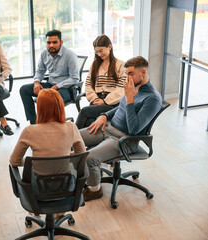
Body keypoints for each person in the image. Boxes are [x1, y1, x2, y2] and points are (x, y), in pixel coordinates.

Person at [79, 56, 162, 201]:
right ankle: (82, 177)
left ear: (143, 73)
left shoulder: (152, 98)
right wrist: (105, 115)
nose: (126, 77)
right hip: (108, 128)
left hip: (124, 140)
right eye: (126, 73)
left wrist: (130, 99)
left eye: (130, 73)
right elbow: (120, 108)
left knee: (89, 157)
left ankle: (94, 191)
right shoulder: (132, 85)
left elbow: (134, 130)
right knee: (73, 136)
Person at [10, 88, 85, 187]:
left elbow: (14, 161)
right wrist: (63, 156)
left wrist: (35, 162)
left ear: (40, 108)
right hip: (66, 187)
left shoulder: (29, 131)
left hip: (38, 189)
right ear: (60, 106)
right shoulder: (71, 127)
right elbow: (81, 155)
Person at [20, 29, 79, 125]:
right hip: (50, 85)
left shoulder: (70, 55)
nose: (51, 45)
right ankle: (34, 122)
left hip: (66, 88)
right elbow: (40, 71)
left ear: (61, 42)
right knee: (24, 90)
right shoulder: (44, 53)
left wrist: (57, 86)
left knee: (50, 98)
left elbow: (75, 78)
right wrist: (36, 82)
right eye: (48, 42)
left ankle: (51, 124)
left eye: (55, 42)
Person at [75, 35, 126, 129]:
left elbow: (121, 89)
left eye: (101, 50)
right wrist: (94, 99)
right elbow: (88, 85)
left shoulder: (120, 65)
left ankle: (71, 139)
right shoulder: (95, 65)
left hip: (112, 104)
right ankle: (84, 142)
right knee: (89, 122)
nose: (99, 54)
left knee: (84, 112)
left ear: (109, 47)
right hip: (96, 100)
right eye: (96, 51)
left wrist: (105, 101)